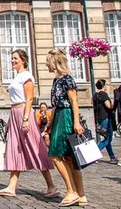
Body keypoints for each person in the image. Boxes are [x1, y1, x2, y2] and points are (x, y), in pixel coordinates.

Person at [0, 50, 58, 199]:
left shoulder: (27, 76)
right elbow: (14, 102)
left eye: (15, 58)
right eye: (12, 58)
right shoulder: (17, 77)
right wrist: (11, 120)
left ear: (23, 60)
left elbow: (29, 99)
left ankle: (51, 186)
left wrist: (25, 119)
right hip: (15, 113)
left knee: (34, 147)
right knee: (16, 149)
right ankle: (11, 187)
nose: (12, 61)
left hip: (24, 113)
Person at [43, 49, 87, 207]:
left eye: (48, 61)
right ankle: (81, 195)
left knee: (55, 154)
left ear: (54, 62)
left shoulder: (67, 79)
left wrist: (76, 122)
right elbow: (55, 106)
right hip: (59, 116)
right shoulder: (56, 81)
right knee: (69, 158)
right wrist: (49, 124)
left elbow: (74, 101)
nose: (46, 64)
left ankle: (71, 191)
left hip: (66, 117)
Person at [93, 79, 117, 163]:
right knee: (108, 139)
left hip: (99, 118)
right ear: (104, 86)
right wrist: (115, 104)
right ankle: (94, 154)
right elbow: (108, 106)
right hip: (106, 118)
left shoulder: (95, 95)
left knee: (107, 138)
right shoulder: (103, 94)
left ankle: (112, 157)